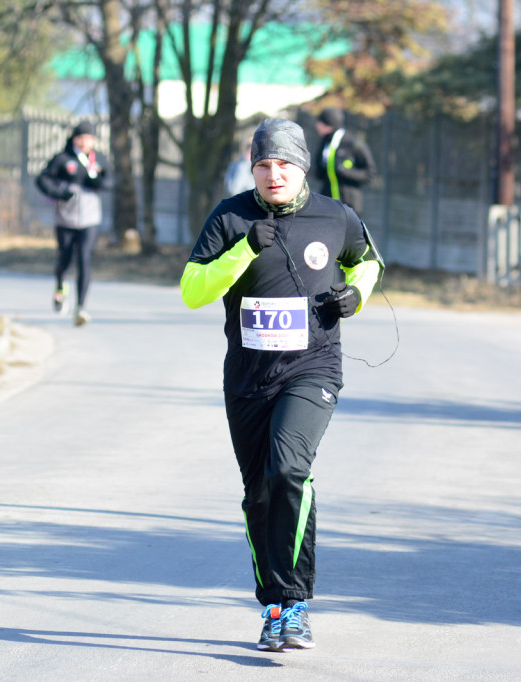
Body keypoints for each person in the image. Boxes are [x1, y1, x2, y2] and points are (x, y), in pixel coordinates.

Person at [180, 118, 383, 652]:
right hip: (248, 378)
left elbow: (368, 264)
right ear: (253, 168)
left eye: (285, 164)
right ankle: (273, 607)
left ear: (302, 168)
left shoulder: (334, 216)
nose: (274, 175)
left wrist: (355, 296)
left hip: (311, 368)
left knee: (289, 467)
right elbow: (192, 291)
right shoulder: (231, 217)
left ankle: (294, 605)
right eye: (264, 165)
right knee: (259, 494)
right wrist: (243, 248)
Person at [36, 120, 111, 326]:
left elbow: (110, 180)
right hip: (66, 218)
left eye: (90, 138)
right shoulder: (63, 159)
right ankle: (60, 284)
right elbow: (42, 180)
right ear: (75, 139)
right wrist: (60, 193)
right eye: (83, 137)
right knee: (65, 258)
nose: (86, 142)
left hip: (90, 218)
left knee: (84, 258)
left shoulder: (98, 159)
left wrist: (98, 180)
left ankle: (81, 307)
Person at [313, 106, 376, 214]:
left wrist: (344, 171)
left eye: (319, 122)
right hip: (327, 204)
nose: (316, 126)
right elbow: (318, 170)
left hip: (349, 206)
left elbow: (369, 174)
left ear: (328, 124)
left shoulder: (353, 143)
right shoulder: (325, 141)